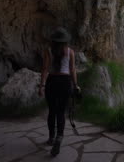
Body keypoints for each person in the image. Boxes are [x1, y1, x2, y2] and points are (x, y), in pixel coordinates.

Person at [38, 27, 80, 156]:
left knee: (52, 111)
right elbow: (72, 70)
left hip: (52, 82)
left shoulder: (48, 51)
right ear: (65, 41)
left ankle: (51, 138)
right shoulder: (70, 52)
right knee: (61, 112)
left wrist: (42, 85)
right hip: (65, 82)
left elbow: (45, 69)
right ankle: (59, 137)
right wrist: (76, 85)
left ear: (53, 41)